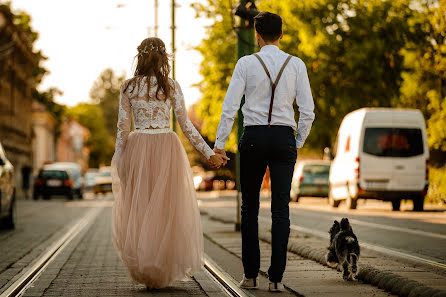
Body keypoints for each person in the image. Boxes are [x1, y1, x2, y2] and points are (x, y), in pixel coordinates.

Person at [111, 37, 225, 289]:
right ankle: (159, 267)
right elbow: (186, 126)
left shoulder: (128, 87)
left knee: (141, 208)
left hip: (137, 147)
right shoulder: (171, 86)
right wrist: (209, 153)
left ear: (139, 57)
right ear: (164, 58)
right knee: (165, 209)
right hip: (166, 148)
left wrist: (119, 157)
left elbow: (122, 127)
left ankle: (146, 265)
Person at [213, 11, 315, 292]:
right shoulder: (297, 65)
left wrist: (219, 145)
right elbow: (307, 111)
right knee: (281, 209)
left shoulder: (246, 64)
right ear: (281, 35)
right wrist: (298, 142)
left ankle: (249, 276)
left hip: (255, 137)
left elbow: (230, 108)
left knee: (250, 209)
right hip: (284, 137)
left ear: (256, 35)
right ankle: (276, 279)